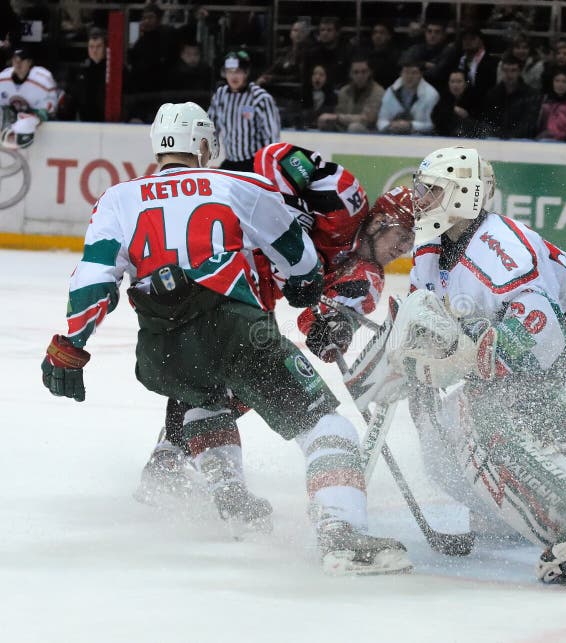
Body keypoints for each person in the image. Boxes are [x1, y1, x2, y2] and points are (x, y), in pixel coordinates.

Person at [40, 102, 411, 576]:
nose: (405, 249)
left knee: (208, 394)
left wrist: (70, 345)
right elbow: (281, 166)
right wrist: (302, 270)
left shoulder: (119, 197)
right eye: (405, 234)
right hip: (237, 314)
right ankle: (341, 535)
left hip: (166, 339)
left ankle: (219, 491)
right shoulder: (317, 194)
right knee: (320, 422)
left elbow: (93, 276)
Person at [384, 146, 566, 585]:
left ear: (462, 195)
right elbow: (424, 318)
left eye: (431, 190)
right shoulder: (431, 248)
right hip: (563, 344)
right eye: (420, 188)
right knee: (445, 439)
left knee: (495, 414)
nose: (418, 198)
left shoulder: (499, 249)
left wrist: (459, 361)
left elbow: (544, 336)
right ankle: (509, 513)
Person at [136, 141, 415, 533]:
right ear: (381, 221)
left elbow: (320, 321)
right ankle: (172, 456)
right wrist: (287, 223)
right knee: (213, 357)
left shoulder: (366, 276)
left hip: (256, 287)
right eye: (403, 236)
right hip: (229, 254)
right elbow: (277, 156)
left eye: (411, 244)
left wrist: (331, 330)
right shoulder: (344, 198)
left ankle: (173, 452)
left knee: (231, 383)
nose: (403, 249)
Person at [208, 50, 280, 171]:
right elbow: (211, 127)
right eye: (229, 72)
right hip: (230, 162)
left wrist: (268, 166)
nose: (233, 76)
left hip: (255, 163)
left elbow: (271, 137)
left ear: (246, 73)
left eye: (238, 71)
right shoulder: (220, 95)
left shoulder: (260, 98)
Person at [0, 47, 57, 149]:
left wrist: (38, 116)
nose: (18, 63)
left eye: (22, 60)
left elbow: (50, 109)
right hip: (11, 121)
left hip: (36, 121)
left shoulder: (43, 80)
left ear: (30, 62)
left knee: (25, 125)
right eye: (15, 60)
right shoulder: (2, 79)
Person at [317, 57, 384, 132]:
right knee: (325, 122)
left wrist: (337, 117)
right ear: (350, 74)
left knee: (354, 127)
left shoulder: (378, 91)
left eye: (364, 72)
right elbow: (339, 113)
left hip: (369, 132)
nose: (360, 76)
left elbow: (367, 119)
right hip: (345, 127)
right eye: (356, 72)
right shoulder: (344, 91)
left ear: (370, 72)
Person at [480, 53, 539, 140]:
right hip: (496, 139)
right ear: (501, 71)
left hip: (521, 140)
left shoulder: (530, 94)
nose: (509, 74)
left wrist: (510, 137)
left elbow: (528, 123)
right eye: (506, 70)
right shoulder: (493, 93)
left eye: (513, 70)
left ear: (520, 72)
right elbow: (488, 120)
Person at [377, 58, 439, 135]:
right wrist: (390, 125)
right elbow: (381, 120)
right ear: (401, 74)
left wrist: (410, 125)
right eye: (406, 72)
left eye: (414, 73)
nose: (409, 76)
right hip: (393, 133)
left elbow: (431, 124)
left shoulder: (431, 94)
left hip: (421, 136)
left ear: (421, 75)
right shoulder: (391, 91)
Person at [431, 68, 481, 138]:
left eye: (459, 81)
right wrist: (452, 109)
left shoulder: (474, 99)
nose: (455, 85)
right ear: (448, 83)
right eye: (452, 81)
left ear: (466, 84)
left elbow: (478, 122)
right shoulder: (444, 98)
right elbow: (435, 117)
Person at [536, 71, 566, 141]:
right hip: (543, 140)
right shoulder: (545, 101)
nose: (560, 85)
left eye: (564, 82)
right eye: (557, 81)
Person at [300, 64, 337, 129]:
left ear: (327, 78)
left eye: (321, 75)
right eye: (314, 74)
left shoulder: (332, 96)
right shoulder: (302, 93)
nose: (317, 77)